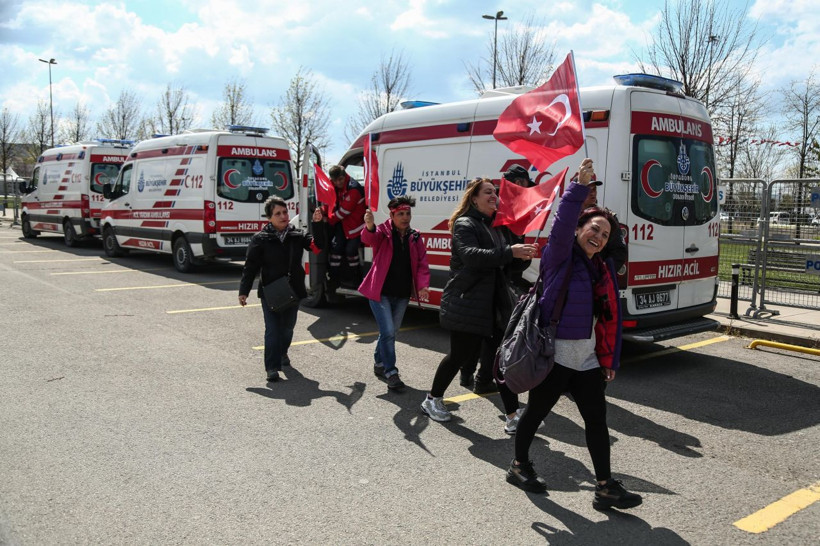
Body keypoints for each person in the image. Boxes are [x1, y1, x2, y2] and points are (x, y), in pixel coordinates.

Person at [506, 159, 642, 511]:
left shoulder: (600, 268)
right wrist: (578, 188)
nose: (599, 237)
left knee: (596, 420)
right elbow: (563, 221)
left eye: (605, 235)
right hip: (555, 355)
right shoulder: (559, 256)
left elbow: (608, 319)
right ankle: (519, 466)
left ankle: (605, 487)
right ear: (579, 228)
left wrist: (608, 359)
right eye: (594, 229)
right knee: (536, 413)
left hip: (587, 358)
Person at [421, 177, 538, 433]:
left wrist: (522, 256)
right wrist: (510, 252)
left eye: (495, 192)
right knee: (459, 356)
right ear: (474, 199)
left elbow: (506, 266)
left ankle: (512, 415)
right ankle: (432, 399)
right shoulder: (465, 224)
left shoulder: (496, 226)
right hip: (469, 302)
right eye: (488, 192)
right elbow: (472, 257)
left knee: (501, 360)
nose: (494, 196)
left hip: (494, 305)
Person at [461, 165, 533, 394]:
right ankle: (468, 373)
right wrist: (511, 253)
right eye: (522, 185)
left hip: (504, 280)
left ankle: (480, 377)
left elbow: (512, 254)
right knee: (482, 333)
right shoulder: (491, 211)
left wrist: (523, 257)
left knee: (495, 333)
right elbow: (478, 253)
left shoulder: (518, 211)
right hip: (486, 282)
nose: (524, 190)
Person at [239, 197, 326, 383]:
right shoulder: (260, 239)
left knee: (287, 329)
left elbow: (318, 247)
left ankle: (283, 351)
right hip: (270, 292)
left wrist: (317, 224)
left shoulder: (297, 236)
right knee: (272, 330)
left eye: (285, 212)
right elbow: (250, 267)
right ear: (269, 217)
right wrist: (243, 291)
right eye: (277, 213)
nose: (283, 216)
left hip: (293, 291)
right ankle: (272, 367)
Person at [358, 195, 431, 392]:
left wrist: (423, 285)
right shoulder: (382, 232)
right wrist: (369, 226)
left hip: (402, 294)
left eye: (408, 213)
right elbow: (368, 239)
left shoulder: (415, 236)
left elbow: (422, 263)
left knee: (390, 332)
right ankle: (391, 372)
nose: (405, 217)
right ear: (391, 215)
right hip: (380, 292)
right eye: (401, 214)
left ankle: (379, 361)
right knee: (389, 332)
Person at [578, 173, 628, 274]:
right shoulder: (567, 217)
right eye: (588, 190)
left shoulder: (607, 218)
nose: (593, 193)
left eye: (594, 189)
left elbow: (619, 252)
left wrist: (601, 274)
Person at [326, 165, 366, 287]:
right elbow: (328, 197)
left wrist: (328, 220)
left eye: (340, 179)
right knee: (335, 250)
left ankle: (356, 278)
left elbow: (343, 212)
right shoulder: (335, 185)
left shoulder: (354, 189)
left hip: (356, 226)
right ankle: (334, 278)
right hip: (344, 225)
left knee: (350, 251)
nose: (338, 182)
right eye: (335, 180)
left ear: (345, 176)